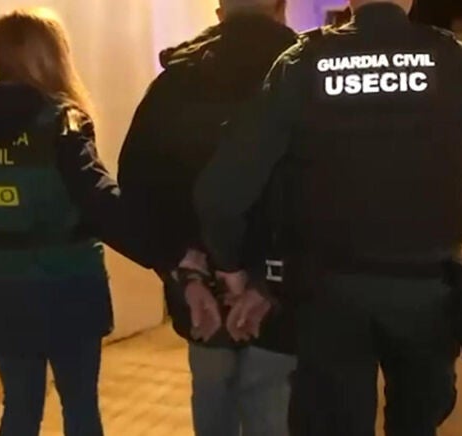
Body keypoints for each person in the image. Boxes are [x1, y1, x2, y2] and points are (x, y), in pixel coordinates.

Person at [193, 1, 462, 435]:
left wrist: (231, 266)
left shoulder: (302, 63)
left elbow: (222, 191)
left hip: (330, 296)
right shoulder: (457, 61)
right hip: (428, 293)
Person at [0, 9, 182, 436]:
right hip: (66, 286)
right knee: (79, 406)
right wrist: (167, 253)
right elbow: (100, 202)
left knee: (19, 407)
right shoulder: (61, 123)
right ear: (53, 56)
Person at [117, 0, 298, 435]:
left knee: (213, 394)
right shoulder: (302, 74)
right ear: (282, 10)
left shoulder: (175, 80)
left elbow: (136, 186)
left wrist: (184, 266)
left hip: (203, 287)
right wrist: (270, 278)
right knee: (272, 402)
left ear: (219, 14)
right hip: (281, 287)